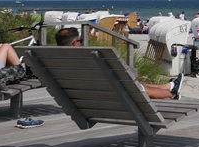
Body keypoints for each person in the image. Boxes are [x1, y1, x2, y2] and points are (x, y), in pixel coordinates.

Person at [55, 27, 183, 100]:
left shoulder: (56, 60)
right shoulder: (83, 59)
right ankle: (172, 94)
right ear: (74, 44)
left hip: (82, 98)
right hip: (105, 97)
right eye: (80, 40)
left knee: (135, 84)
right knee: (139, 88)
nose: (81, 42)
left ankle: (169, 85)